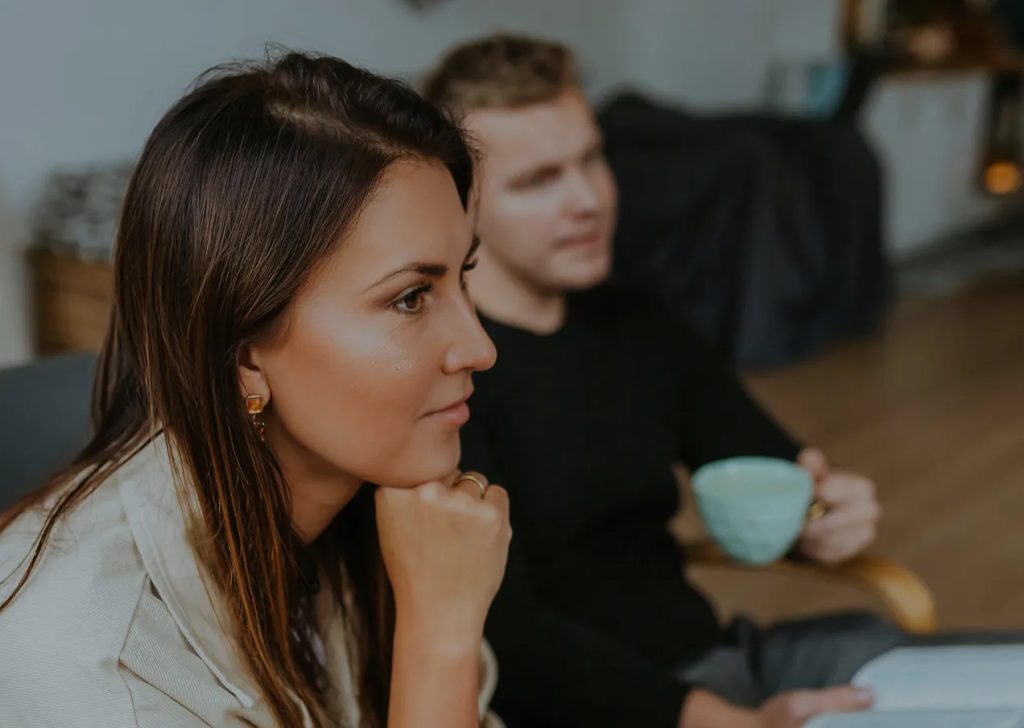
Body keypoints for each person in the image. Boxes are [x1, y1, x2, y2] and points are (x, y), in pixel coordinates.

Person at [424, 35, 1018, 728]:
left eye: (591, 159)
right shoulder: (450, 377)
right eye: (538, 181)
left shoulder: (635, 317)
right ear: (460, 205)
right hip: (617, 709)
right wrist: (723, 720)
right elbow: (510, 643)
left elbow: (759, 458)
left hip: (727, 664)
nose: (587, 199)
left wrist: (820, 513)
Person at [0, 52, 510, 728]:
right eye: (412, 298)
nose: (480, 347)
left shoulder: (394, 521)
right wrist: (439, 633)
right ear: (244, 356)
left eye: (463, 278)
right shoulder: (93, 666)